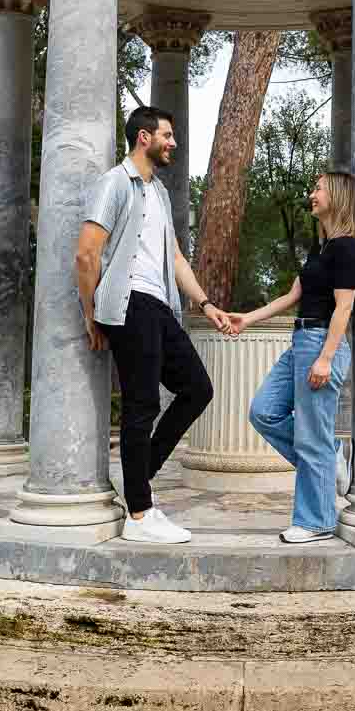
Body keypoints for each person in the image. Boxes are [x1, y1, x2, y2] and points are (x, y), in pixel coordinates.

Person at [75, 106, 232, 545]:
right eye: (168, 135)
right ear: (144, 137)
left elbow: (176, 257)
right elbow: (87, 254)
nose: (174, 143)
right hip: (128, 304)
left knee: (198, 388)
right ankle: (140, 514)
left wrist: (205, 303)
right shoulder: (114, 184)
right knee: (142, 406)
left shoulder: (159, 193)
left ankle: (139, 482)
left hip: (159, 303)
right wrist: (91, 314)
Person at [230, 171, 355, 544]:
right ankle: (332, 452)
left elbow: (344, 307)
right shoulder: (320, 248)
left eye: (318, 188)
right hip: (301, 340)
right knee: (263, 411)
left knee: (310, 438)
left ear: (336, 195)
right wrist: (247, 318)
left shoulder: (348, 248)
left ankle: (317, 520)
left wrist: (325, 358)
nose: (312, 194)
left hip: (322, 342)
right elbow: (291, 297)